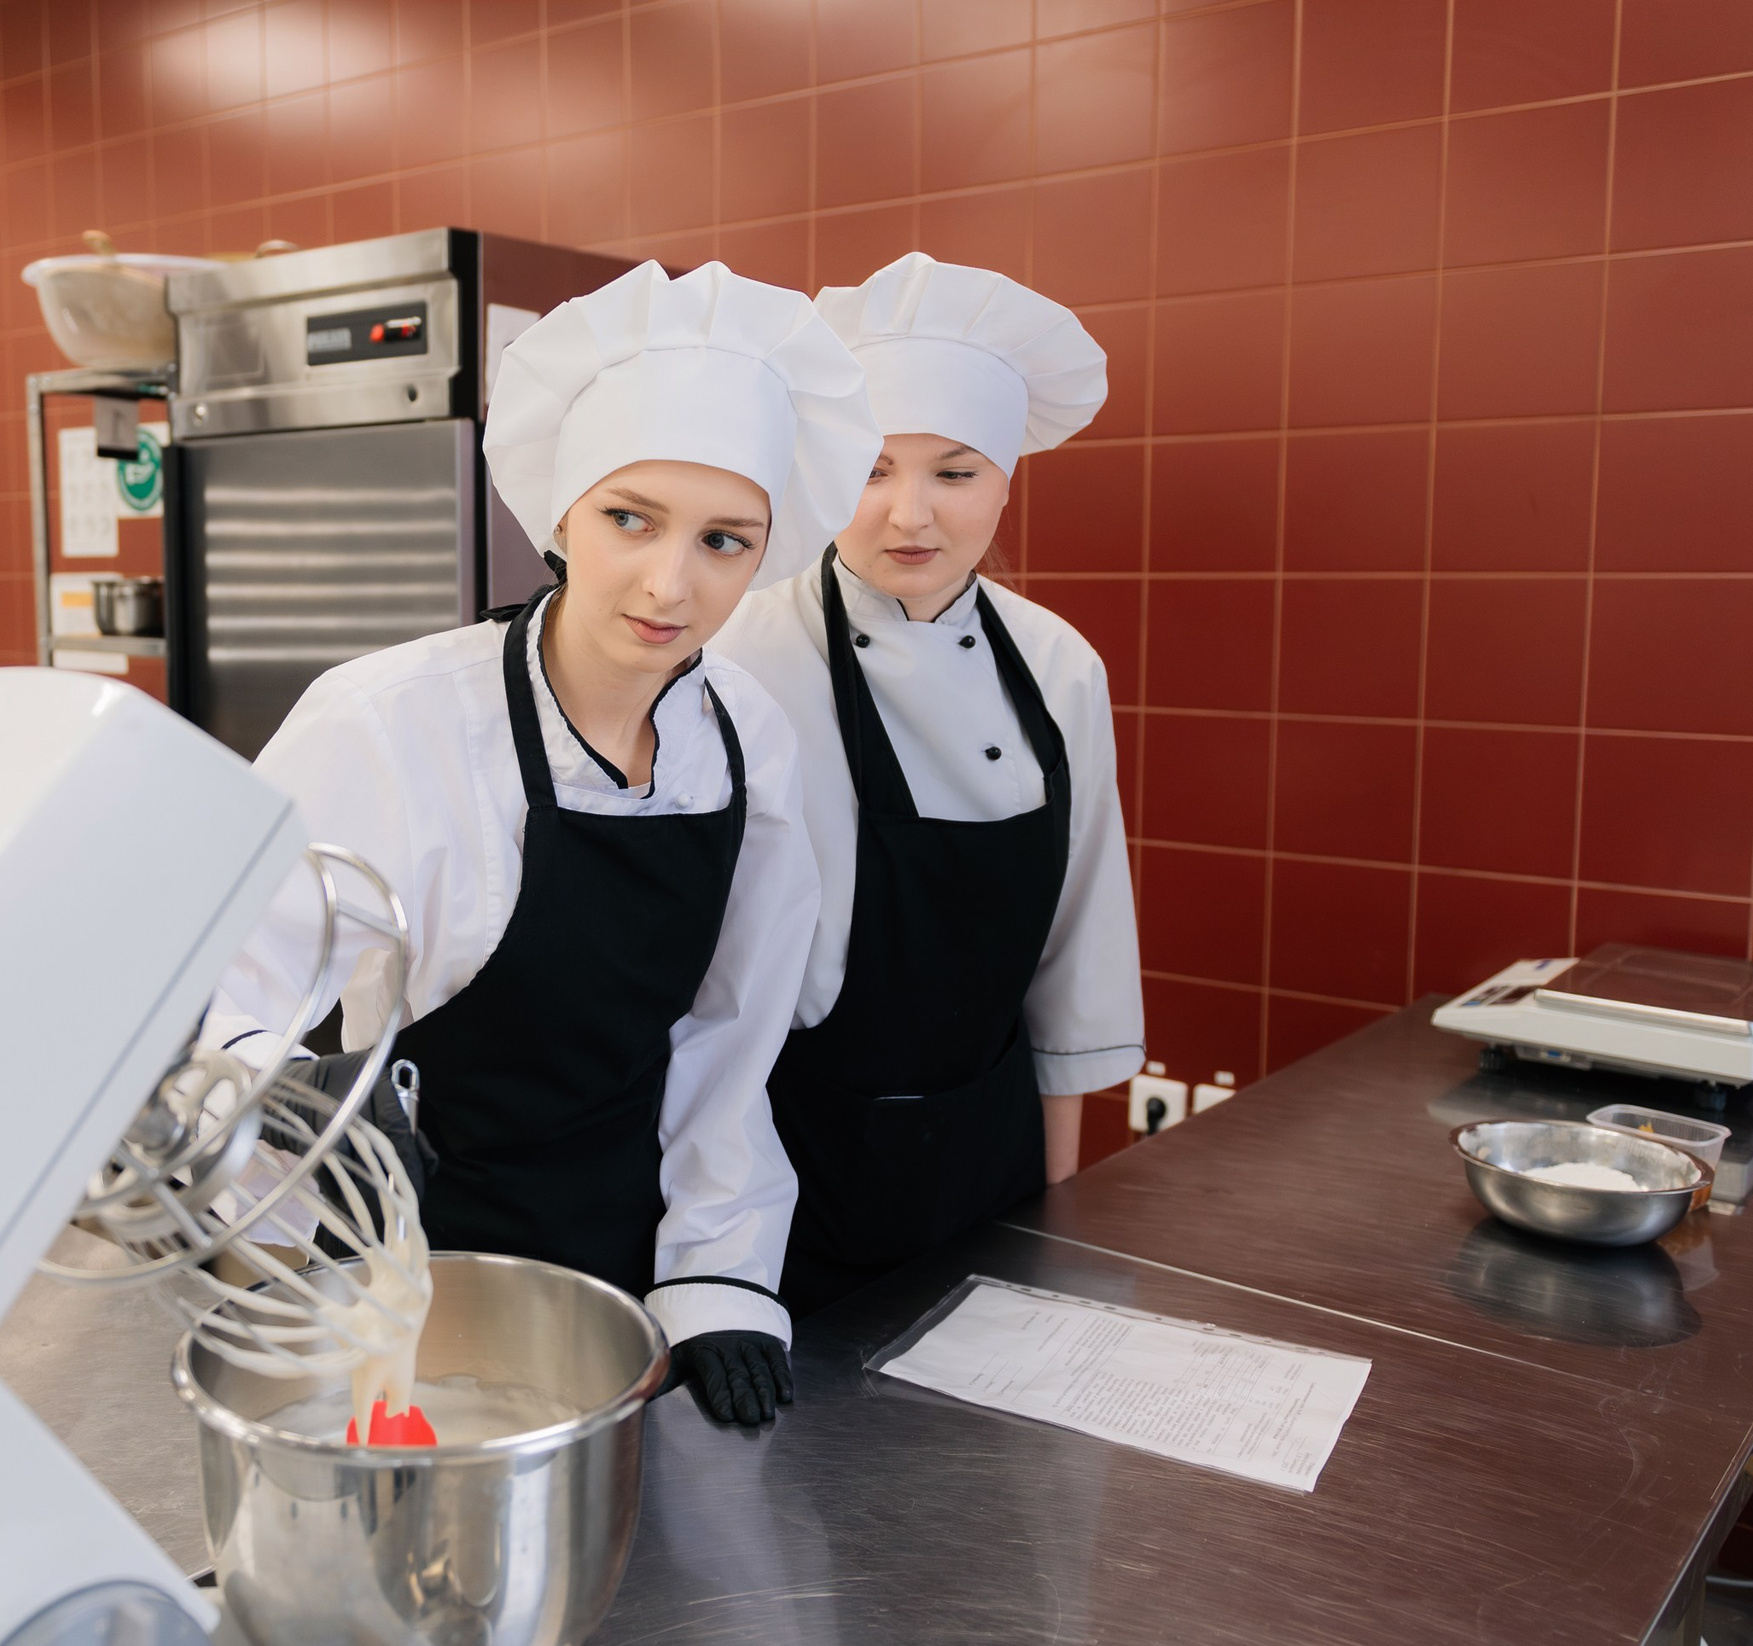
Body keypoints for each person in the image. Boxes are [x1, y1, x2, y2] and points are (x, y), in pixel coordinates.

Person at [204, 259, 879, 1423]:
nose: (669, 583)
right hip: (402, 1279)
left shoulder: (745, 739)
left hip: (625, 1279)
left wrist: (716, 1276)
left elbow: (728, 1041)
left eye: (724, 540)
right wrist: (291, 1097)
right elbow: (212, 993)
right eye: (630, 518)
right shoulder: (389, 723)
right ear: (563, 512)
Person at [711, 252, 1144, 1318]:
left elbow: (1075, 948)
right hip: (778, 1166)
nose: (911, 516)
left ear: (1006, 479)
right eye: (871, 469)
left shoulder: (1058, 665)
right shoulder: (736, 653)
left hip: (989, 1159)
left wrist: (1057, 1213)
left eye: (955, 473)